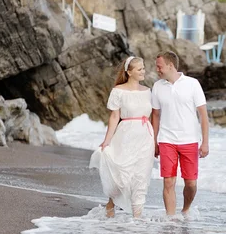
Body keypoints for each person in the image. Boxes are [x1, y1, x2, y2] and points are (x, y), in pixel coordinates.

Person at [89, 56, 155, 218]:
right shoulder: (118, 91)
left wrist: (156, 139)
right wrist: (107, 141)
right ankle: (111, 205)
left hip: (146, 136)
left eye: (143, 68)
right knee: (122, 176)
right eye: (139, 69)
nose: (143, 71)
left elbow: (153, 116)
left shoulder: (147, 91)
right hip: (126, 135)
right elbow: (114, 117)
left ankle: (137, 219)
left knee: (141, 176)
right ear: (129, 72)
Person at [151, 51, 209, 216]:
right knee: (168, 181)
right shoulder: (157, 86)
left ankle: (185, 210)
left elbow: (203, 115)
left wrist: (205, 142)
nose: (157, 70)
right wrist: (154, 141)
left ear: (170, 66)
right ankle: (171, 219)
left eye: (159, 66)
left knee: (190, 183)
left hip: (189, 140)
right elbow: (155, 115)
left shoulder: (192, 84)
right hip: (166, 140)